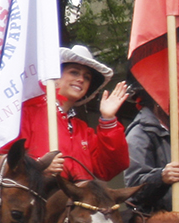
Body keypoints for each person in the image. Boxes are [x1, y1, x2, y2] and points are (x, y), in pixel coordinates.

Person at [16, 45, 130, 182]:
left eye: (87, 77)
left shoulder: (82, 129)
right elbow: (6, 161)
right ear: (55, 77)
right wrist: (38, 167)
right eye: (74, 72)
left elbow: (109, 168)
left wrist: (109, 119)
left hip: (78, 202)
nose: (81, 79)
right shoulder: (28, 113)